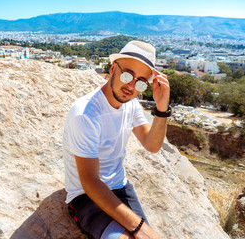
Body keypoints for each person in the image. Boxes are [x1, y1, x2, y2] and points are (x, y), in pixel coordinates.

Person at [63, 40, 170, 239]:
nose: (131, 85)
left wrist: (162, 109)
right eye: (127, 74)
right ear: (113, 68)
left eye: (140, 82)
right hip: (86, 197)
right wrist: (139, 227)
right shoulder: (86, 114)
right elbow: (90, 182)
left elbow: (152, 145)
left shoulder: (130, 104)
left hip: (120, 188)